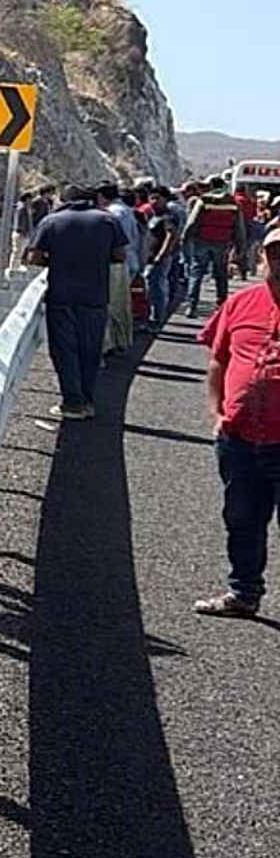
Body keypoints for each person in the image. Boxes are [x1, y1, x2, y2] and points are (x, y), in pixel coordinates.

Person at [194, 228, 280, 618]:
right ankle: (243, 593)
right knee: (242, 519)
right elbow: (218, 361)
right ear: (262, 255)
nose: (279, 260)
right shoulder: (241, 303)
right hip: (240, 438)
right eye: (274, 252)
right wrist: (217, 415)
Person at [24, 184, 128, 421]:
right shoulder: (107, 220)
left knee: (64, 349)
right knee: (90, 350)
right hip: (96, 296)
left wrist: (58, 258)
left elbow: (34, 257)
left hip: (61, 296)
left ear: (63, 200)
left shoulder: (52, 221)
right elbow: (120, 255)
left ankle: (72, 403)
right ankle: (87, 400)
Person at [187, 176, 248, 318]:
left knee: (196, 273)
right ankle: (221, 305)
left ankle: (192, 306)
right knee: (221, 274)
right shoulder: (232, 202)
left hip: (202, 240)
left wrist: (186, 237)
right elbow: (239, 227)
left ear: (211, 186)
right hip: (222, 242)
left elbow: (192, 221)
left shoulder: (204, 200)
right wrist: (240, 246)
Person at [97, 183, 140, 355]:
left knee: (110, 305)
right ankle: (118, 341)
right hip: (129, 260)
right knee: (120, 305)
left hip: (116, 264)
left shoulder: (113, 213)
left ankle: (109, 344)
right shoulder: (126, 210)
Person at [142, 191, 177, 331]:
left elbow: (171, 236)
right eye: (152, 198)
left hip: (159, 258)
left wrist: (161, 255)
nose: (154, 201)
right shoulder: (153, 216)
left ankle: (157, 320)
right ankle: (153, 317)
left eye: (158, 198)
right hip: (151, 257)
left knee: (157, 288)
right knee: (151, 287)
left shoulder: (167, 217)